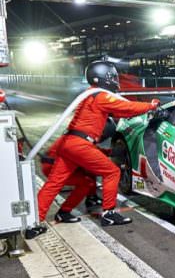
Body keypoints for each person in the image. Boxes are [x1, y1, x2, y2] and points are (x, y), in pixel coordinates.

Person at [34, 61, 159, 237]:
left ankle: (40, 220)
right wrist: (150, 106)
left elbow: (117, 111)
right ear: (104, 77)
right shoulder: (100, 96)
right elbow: (126, 108)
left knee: (56, 183)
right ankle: (108, 214)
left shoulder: (90, 95)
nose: (115, 79)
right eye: (112, 76)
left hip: (69, 143)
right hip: (79, 144)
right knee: (112, 172)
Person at [39, 119, 117, 223]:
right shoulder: (83, 138)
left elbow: (94, 150)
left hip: (52, 163)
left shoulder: (81, 133)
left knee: (90, 171)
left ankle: (90, 198)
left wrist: (111, 152)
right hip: (53, 166)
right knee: (87, 181)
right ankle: (63, 212)